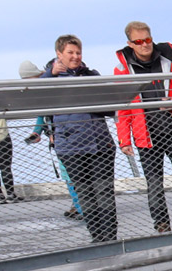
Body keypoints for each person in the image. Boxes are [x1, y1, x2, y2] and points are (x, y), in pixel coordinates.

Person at [112, 22, 172, 233]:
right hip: (146, 136)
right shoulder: (122, 71)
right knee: (154, 183)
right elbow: (122, 109)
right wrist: (124, 140)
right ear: (130, 43)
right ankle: (161, 224)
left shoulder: (170, 61)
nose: (145, 45)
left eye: (147, 40)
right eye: (139, 41)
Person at [36, 35, 119, 243]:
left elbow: (110, 109)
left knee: (104, 192)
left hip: (100, 143)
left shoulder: (92, 75)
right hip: (70, 146)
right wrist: (50, 75)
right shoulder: (49, 80)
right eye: (70, 52)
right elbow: (36, 100)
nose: (75, 56)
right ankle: (97, 237)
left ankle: (111, 237)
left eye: (78, 52)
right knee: (85, 194)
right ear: (59, 54)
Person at [21, 58, 84, 219]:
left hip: (65, 138)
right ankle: (79, 206)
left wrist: (41, 132)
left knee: (74, 176)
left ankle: (82, 208)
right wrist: (39, 133)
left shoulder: (49, 87)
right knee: (70, 176)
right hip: (58, 138)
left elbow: (43, 115)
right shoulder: (47, 88)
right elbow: (43, 115)